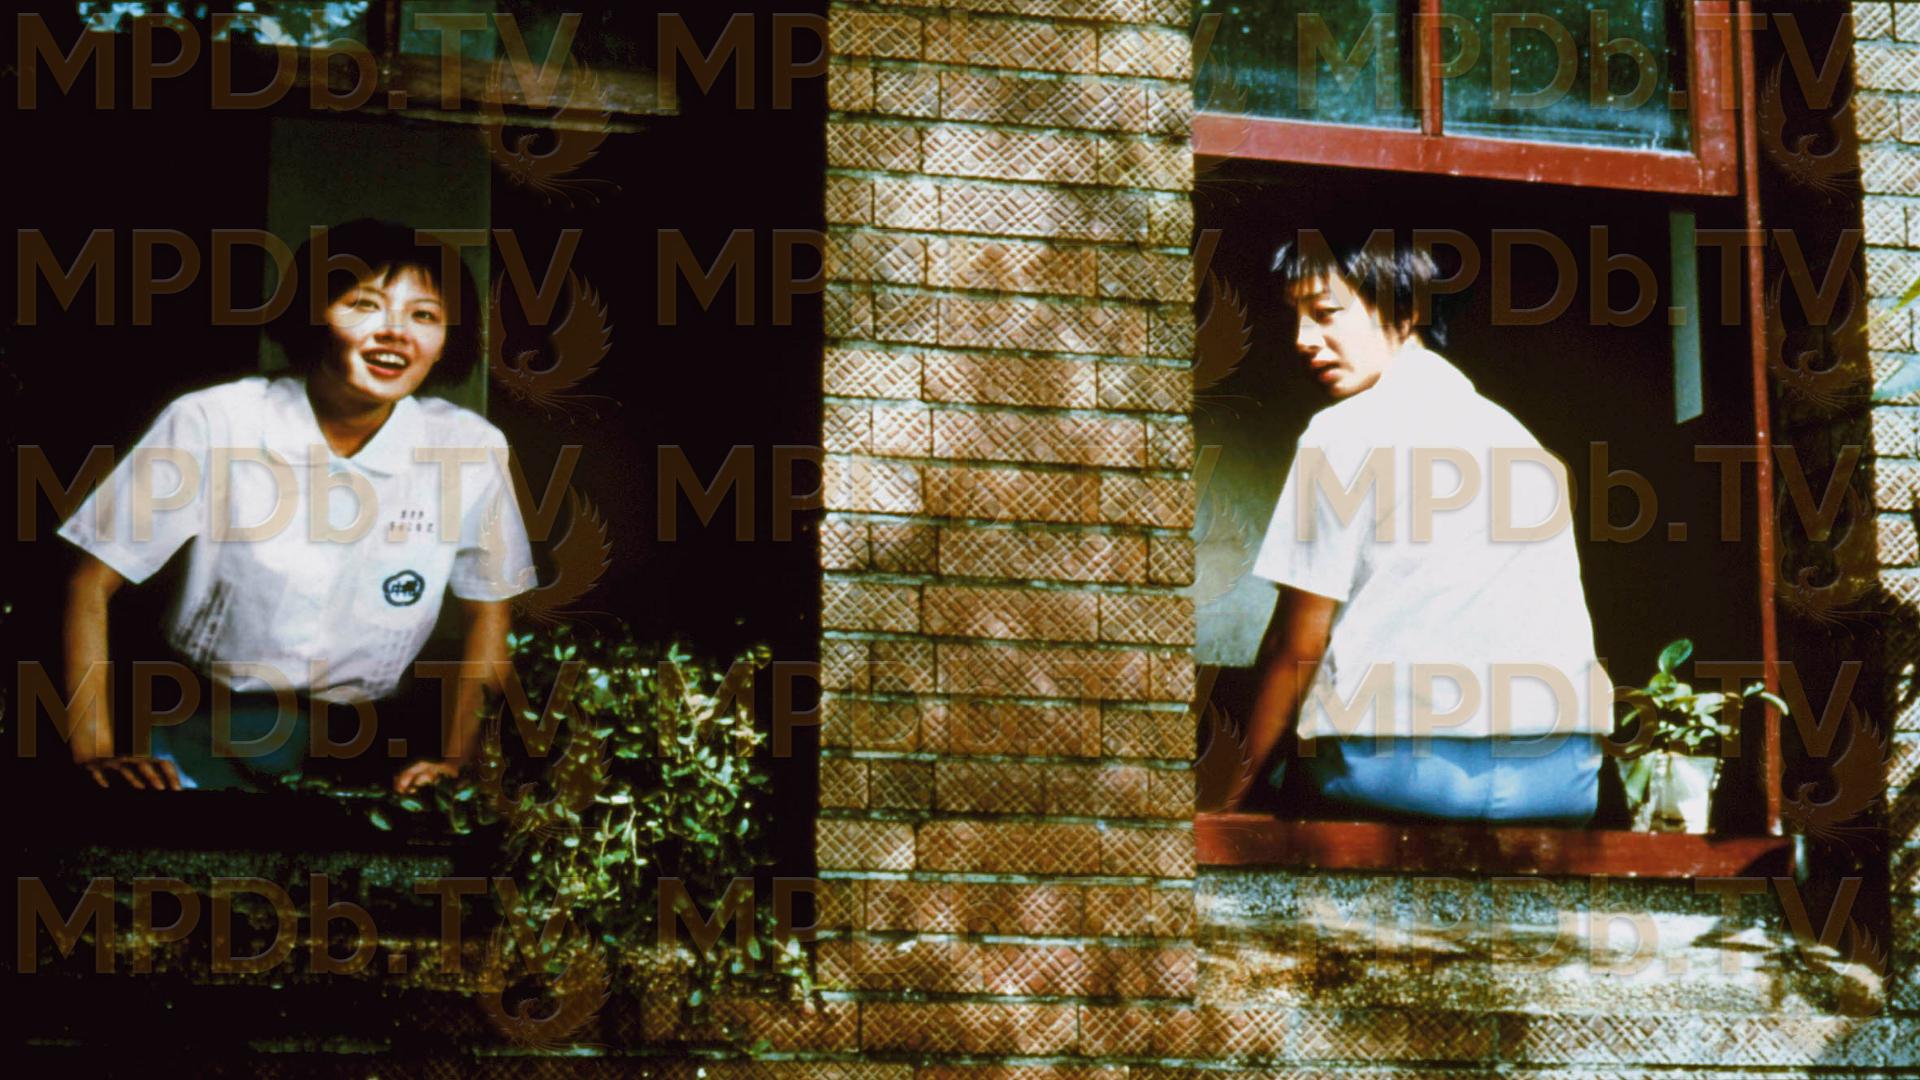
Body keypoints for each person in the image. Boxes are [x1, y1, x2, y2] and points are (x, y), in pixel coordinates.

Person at [58, 219, 535, 795]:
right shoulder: (215, 420)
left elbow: (489, 614)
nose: (396, 333)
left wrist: (459, 765)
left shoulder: (469, 448)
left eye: (425, 315)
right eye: (364, 304)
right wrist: (94, 753)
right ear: (313, 313)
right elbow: (88, 580)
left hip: (372, 752)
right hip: (195, 732)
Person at [1222, 231, 1612, 824]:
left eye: (1324, 313)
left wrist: (1225, 806)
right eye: (1295, 317)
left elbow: (1295, 646)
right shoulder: (1524, 442)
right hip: (1562, 777)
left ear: (1405, 312)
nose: (1303, 339)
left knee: (1289, 782)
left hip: (1399, 774)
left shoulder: (1342, 431)